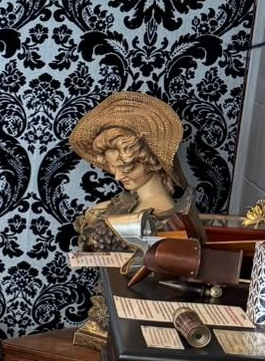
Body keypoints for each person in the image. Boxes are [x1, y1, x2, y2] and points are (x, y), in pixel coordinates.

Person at [68, 91, 184, 345]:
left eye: (127, 168)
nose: (119, 177)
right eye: (114, 169)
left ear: (150, 160)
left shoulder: (161, 217)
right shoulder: (127, 200)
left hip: (131, 321)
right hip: (105, 313)